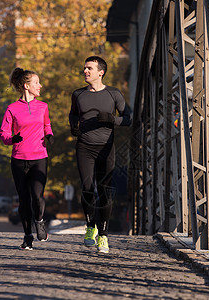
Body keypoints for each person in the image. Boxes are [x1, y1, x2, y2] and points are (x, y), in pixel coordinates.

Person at [69, 56, 132, 253]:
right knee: (88, 188)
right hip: (84, 147)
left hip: (106, 147)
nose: (85, 71)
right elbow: (73, 113)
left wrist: (112, 119)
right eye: (84, 67)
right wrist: (73, 125)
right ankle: (90, 227)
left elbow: (129, 118)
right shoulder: (78, 94)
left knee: (104, 191)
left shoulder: (113, 94)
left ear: (100, 72)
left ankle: (103, 236)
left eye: (89, 68)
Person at [0, 67, 54, 250]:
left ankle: (39, 221)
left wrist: (49, 134)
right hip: (19, 159)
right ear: (26, 86)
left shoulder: (43, 106)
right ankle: (27, 236)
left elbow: (47, 124)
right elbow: (4, 133)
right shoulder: (12, 109)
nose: (40, 85)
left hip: (39, 157)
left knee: (37, 197)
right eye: (36, 82)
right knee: (23, 199)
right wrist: (12, 139)